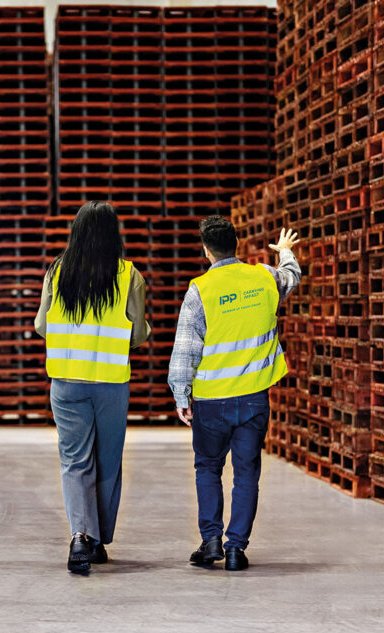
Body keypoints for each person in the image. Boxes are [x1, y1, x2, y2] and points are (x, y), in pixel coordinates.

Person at [168, 215, 302, 571]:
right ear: (236, 245)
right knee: (246, 473)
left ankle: (210, 539)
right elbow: (292, 277)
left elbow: (185, 349)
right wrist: (286, 252)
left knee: (208, 468)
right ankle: (235, 550)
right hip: (254, 400)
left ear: (206, 249)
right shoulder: (264, 277)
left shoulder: (201, 289)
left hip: (211, 402)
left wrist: (182, 396)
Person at [34, 200, 151, 575]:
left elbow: (41, 326)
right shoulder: (128, 275)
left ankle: (80, 536)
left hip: (66, 382)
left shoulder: (57, 271)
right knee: (108, 461)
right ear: (112, 233)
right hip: (111, 383)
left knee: (74, 461)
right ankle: (97, 540)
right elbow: (136, 333)